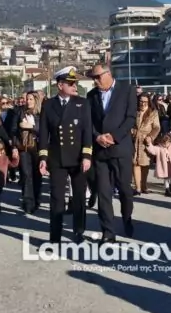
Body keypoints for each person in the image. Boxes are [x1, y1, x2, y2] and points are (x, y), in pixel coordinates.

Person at [38, 66, 93, 244]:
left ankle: (79, 231)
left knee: (79, 197)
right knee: (57, 199)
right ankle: (55, 236)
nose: (74, 86)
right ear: (60, 85)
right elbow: (44, 134)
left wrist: (87, 156)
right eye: (70, 83)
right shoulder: (49, 105)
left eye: (74, 83)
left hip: (77, 158)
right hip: (57, 158)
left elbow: (87, 132)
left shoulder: (82, 103)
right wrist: (43, 158)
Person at [87, 64, 137, 241]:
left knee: (124, 190)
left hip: (120, 149)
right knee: (103, 193)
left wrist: (114, 136)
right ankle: (108, 232)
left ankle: (127, 218)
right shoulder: (91, 96)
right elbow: (89, 122)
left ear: (108, 74)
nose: (95, 81)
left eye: (98, 77)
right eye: (93, 78)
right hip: (101, 152)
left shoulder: (127, 90)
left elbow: (130, 118)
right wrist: (97, 136)